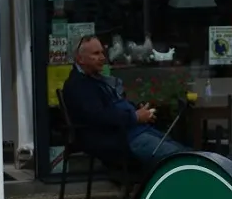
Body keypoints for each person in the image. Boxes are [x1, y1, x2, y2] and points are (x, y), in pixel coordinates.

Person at [62, 34, 188, 166]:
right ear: (80, 59)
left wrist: (138, 110)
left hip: (130, 131)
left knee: (183, 152)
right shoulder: (79, 86)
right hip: (116, 138)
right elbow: (100, 117)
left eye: (102, 53)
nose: (102, 58)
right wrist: (135, 117)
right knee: (177, 159)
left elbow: (115, 105)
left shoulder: (94, 78)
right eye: (96, 53)